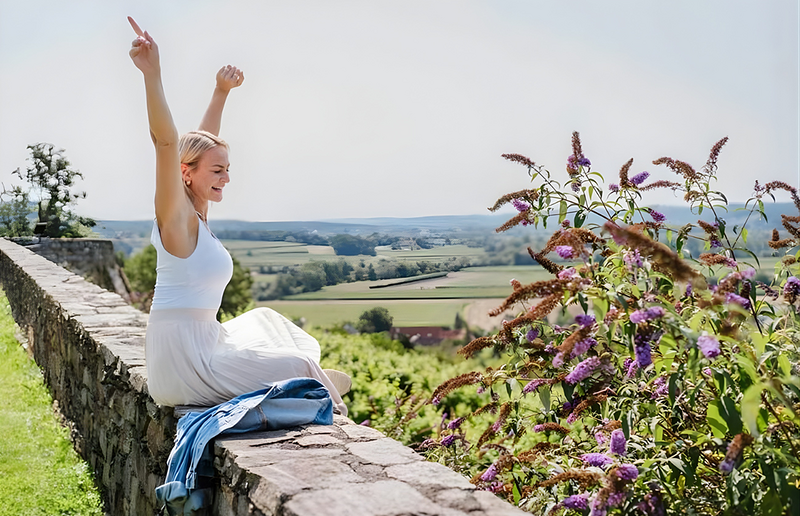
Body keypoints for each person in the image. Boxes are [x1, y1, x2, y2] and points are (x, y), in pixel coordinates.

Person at [128, 17, 349, 415]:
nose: (227, 177)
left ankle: (304, 380)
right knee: (298, 362)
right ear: (186, 173)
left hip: (201, 343)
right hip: (184, 361)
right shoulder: (176, 222)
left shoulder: (198, 213)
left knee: (265, 320)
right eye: (218, 171)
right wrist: (152, 73)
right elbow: (167, 143)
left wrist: (220, 91)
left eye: (227, 168)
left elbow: (201, 145)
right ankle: (318, 391)